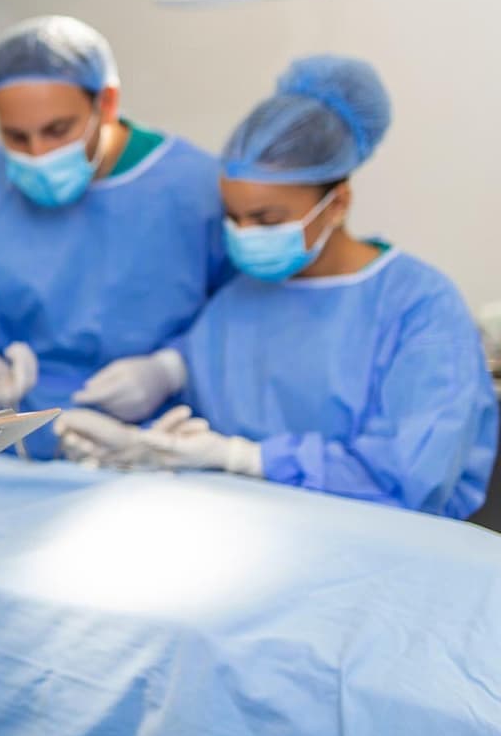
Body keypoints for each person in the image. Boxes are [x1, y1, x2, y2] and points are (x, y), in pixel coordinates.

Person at [59, 56, 497, 519]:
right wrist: (151, 413)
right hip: (247, 538)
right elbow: (205, 390)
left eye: (267, 220)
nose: (245, 234)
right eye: (233, 218)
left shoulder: (420, 306)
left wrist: (244, 459)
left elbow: (410, 479)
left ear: (337, 204)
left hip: (382, 552)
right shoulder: (239, 300)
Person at [0, 15, 228, 457]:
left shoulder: (195, 187)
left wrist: (170, 368)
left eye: (58, 130)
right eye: (16, 136)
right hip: (19, 451)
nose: (38, 154)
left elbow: (246, 316)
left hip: (164, 446)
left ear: (107, 103)